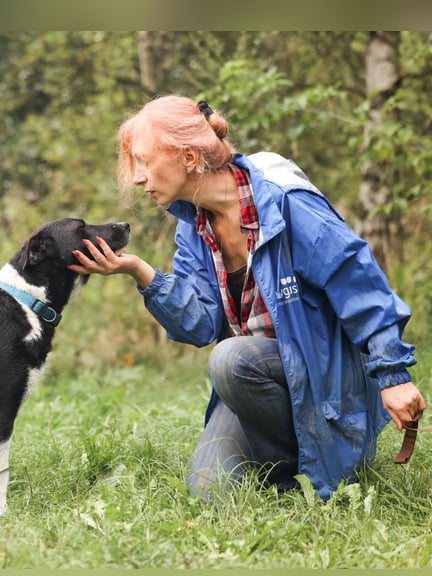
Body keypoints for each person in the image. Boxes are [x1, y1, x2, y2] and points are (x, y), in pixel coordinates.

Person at [70, 95, 426, 500]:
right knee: (210, 492)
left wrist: (393, 377)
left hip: (323, 373)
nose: (137, 177)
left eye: (145, 161)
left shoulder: (285, 202)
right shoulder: (193, 226)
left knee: (230, 358)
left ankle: (293, 479)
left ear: (188, 157)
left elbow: (358, 282)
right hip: (262, 377)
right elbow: (200, 324)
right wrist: (141, 272)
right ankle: (288, 459)